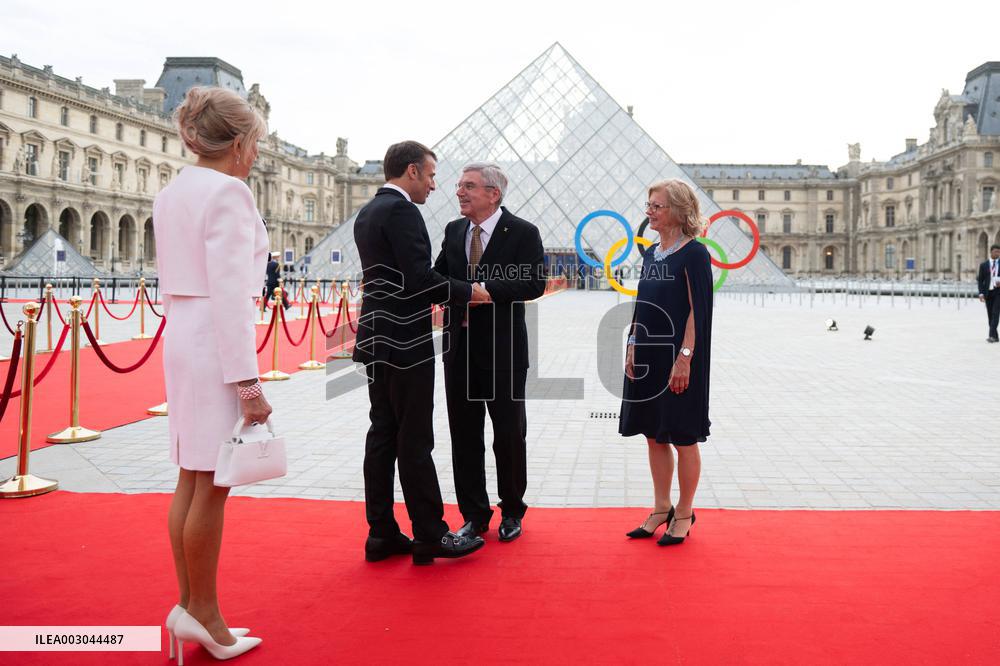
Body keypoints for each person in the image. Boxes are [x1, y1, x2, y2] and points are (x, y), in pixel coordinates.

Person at [153, 85, 269, 661]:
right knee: (213, 485)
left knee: (191, 477)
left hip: (184, 333)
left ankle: (190, 606)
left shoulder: (173, 190)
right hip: (214, 344)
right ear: (240, 141)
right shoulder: (229, 192)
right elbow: (229, 294)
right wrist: (248, 384)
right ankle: (205, 613)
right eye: (256, 143)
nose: (257, 154)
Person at [352, 140, 489, 565]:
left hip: (375, 337)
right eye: (430, 175)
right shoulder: (402, 211)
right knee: (414, 439)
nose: (433, 185)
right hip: (405, 341)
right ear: (411, 171)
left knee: (382, 434)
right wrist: (470, 292)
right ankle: (430, 533)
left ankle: (381, 533)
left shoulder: (368, 211)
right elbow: (419, 280)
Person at [433, 163, 545, 542]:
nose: (459, 192)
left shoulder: (523, 232)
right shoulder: (454, 230)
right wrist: (459, 291)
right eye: (459, 185)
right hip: (459, 350)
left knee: (509, 435)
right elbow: (437, 276)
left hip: (503, 352)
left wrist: (487, 291)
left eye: (469, 186)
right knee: (464, 436)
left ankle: (512, 510)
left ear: (493, 194)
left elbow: (534, 282)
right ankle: (474, 514)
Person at [618, 179, 714, 546]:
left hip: (678, 356)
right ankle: (661, 507)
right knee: (653, 434)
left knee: (683, 436)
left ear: (678, 210)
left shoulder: (695, 254)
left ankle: (685, 512)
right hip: (648, 353)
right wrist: (632, 345)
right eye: (649, 205)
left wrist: (685, 358)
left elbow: (697, 312)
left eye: (657, 206)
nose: (650, 212)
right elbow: (642, 305)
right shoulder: (649, 255)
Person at [977, 244, 1000, 343]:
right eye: (996, 252)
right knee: (990, 315)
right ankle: (995, 336)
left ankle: (991, 336)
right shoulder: (984, 265)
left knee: (995, 313)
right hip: (988, 293)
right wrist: (981, 294)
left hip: (998, 292)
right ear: (991, 252)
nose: (998, 254)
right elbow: (980, 280)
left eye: (999, 252)